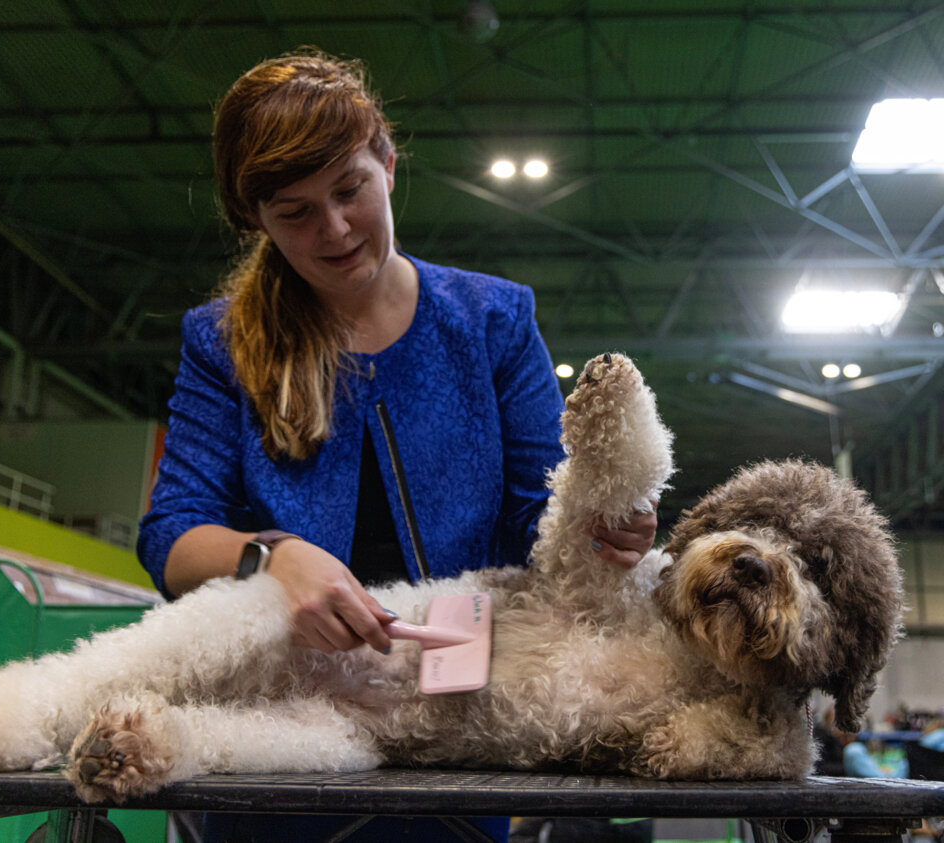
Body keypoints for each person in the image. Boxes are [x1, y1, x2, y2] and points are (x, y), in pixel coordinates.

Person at [137, 48, 657, 843]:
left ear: (386, 159)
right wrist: (272, 559)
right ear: (257, 221)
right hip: (272, 735)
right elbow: (171, 536)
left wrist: (604, 526)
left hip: (459, 732)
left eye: (349, 189)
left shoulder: (495, 321)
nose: (335, 228)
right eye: (295, 212)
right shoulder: (219, 344)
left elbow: (537, 522)